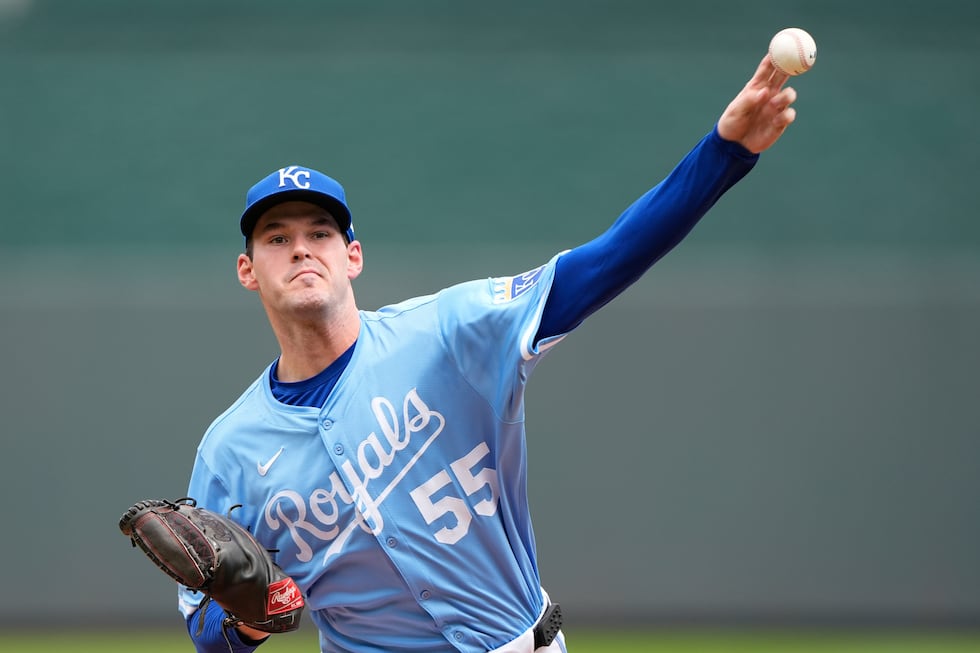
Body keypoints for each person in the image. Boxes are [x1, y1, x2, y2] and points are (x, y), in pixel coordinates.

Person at [177, 53, 800, 653]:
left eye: (320, 233)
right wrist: (251, 618)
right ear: (247, 270)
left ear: (354, 257)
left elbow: (605, 261)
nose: (301, 249)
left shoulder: (448, 332)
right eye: (276, 237)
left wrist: (725, 153)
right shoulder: (231, 449)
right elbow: (206, 632)